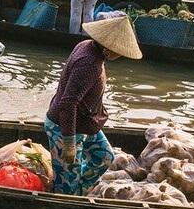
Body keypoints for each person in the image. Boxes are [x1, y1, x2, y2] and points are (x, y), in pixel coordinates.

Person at [45, 16, 142, 195]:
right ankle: (67, 195)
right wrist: (69, 143)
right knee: (68, 184)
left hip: (85, 123)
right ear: (108, 48)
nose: (120, 55)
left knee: (104, 157)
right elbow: (68, 102)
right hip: (64, 126)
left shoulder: (88, 45)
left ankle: (76, 189)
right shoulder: (89, 63)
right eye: (119, 50)